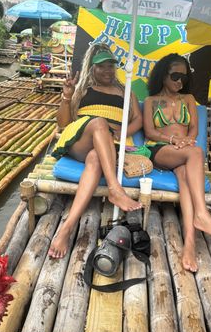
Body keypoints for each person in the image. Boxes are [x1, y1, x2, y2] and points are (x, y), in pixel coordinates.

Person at [143, 53, 211, 272]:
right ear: (163, 74)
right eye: (175, 76)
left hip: (183, 151)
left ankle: (190, 244)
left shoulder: (188, 99)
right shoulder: (151, 101)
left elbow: (194, 127)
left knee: (185, 174)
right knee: (196, 153)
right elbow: (150, 132)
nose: (179, 81)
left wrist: (187, 140)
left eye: (184, 77)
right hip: (160, 150)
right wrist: (174, 140)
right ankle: (202, 214)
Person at [49, 43, 142, 259]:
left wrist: (123, 132)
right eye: (102, 67)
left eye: (111, 66)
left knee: (95, 158)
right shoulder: (82, 90)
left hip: (107, 145)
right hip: (81, 138)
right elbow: (63, 123)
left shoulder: (125, 91)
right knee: (99, 123)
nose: (108, 71)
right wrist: (66, 96)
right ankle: (115, 189)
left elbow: (138, 118)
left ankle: (66, 228)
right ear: (92, 69)